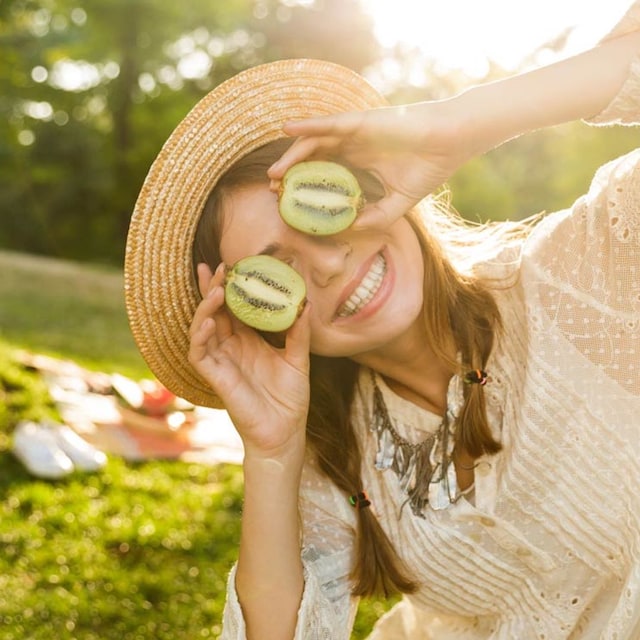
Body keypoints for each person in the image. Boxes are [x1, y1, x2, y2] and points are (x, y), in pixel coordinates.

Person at [124, 2, 640, 638]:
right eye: (275, 270)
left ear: (372, 185)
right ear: (260, 314)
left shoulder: (588, 267)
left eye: (322, 208)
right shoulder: (341, 449)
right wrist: (273, 451)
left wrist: (457, 124)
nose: (332, 260)